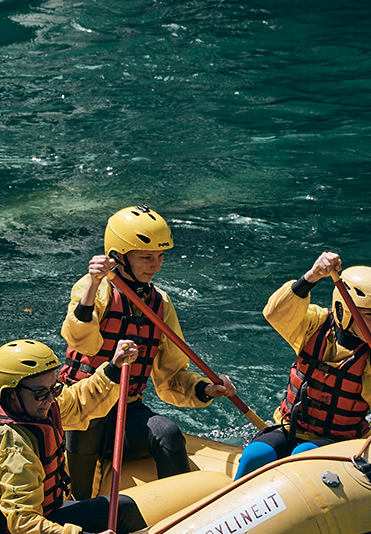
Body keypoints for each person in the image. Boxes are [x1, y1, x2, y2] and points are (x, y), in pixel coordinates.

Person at [58, 205, 237, 496]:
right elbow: (81, 342)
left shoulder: (160, 303)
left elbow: (170, 379)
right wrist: (92, 284)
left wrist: (205, 389)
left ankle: (181, 507)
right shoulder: (95, 289)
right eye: (146, 257)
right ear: (118, 257)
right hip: (82, 406)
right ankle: (77, 505)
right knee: (83, 442)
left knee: (168, 433)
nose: (155, 266)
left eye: (160, 256)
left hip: (127, 411)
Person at [235, 251, 371, 477]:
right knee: (254, 455)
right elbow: (276, 313)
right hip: (291, 429)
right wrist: (312, 276)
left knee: (303, 456)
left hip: (341, 441)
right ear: (343, 309)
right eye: (369, 314)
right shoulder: (314, 325)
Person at [0, 338, 153, 534]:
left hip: (29, 519)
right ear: (11, 393)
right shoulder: (11, 446)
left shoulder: (28, 401)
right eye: (41, 393)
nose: (51, 399)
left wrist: (113, 368)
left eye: (54, 389)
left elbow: (78, 403)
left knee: (120, 507)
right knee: (123, 510)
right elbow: (23, 523)